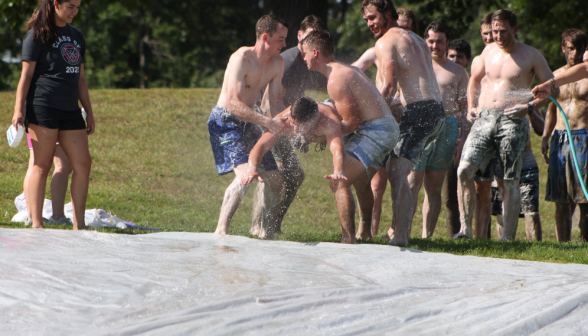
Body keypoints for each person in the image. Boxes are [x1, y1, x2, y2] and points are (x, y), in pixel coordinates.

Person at [456, 9, 554, 240]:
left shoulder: (531, 55)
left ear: (515, 30)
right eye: (494, 31)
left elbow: (553, 89)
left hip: (513, 119)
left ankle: (506, 238)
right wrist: (472, 105)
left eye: (503, 31)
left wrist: (529, 107)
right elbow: (474, 79)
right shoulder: (488, 51)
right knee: (463, 170)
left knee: (509, 181)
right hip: (485, 117)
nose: (498, 36)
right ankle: (465, 230)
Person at [299, 30, 399, 243]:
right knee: (361, 181)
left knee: (339, 181)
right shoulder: (343, 70)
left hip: (377, 131)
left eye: (305, 53)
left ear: (315, 53)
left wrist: (319, 136)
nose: (303, 57)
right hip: (385, 127)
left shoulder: (335, 78)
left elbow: (351, 123)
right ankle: (365, 233)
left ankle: (348, 238)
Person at [361, 0, 444, 246]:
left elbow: (388, 84)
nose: (370, 24)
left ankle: (401, 236)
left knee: (397, 171)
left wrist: (371, 117)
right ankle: (399, 232)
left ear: (388, 13)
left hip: (419, 111)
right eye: (366, 20)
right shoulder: (417, 39)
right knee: (400, 169)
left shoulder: (386, 41)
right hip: (435, 111)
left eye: (373, 17)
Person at [11, 0, 94, 230]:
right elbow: (25, 76)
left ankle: (80, 225)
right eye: (70, 6)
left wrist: (88, 109)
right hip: (43, 106)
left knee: (83, 163)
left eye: (77, 7)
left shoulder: (77, 36)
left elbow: (81, 78)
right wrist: (18, 110)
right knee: (42, 164)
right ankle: (37, 225)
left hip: (70, 109)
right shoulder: (37, 35)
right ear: (55, 3)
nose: (74, 12)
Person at [208, 14, 288, 238]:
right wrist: (267, 122)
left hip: (251, 121)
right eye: (281, 39)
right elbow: (233, 104)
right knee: (245, 175)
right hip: (224, 121)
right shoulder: (241, 58)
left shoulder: (277, 63)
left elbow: (276, 103)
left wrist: (291, 123)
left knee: (275, 180)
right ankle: (220, 231)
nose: (284, 44)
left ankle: (266, 232)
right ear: (265, 37)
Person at [252, 15, 328, 236]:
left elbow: (296, 97)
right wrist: (290, 134)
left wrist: (302, 131)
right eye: (309, 35)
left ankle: (272, 224)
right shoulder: (292, 59)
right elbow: (268, 103)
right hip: (267, 121)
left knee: (294, 175)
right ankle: (262, 226)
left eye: (317, 36)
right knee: (280, 173)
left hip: (281, 122)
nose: (312, 40)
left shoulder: (306, 61)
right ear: (299, 35)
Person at [352, 6, 417, 237]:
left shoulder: (410, 49)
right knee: (377, 183)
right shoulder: (378, 49)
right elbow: (353, 70)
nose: (402, 32)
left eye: (407, 28)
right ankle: (368, 231)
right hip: (382, 115)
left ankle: (397, 230)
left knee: (402, 178)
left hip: (404, 117)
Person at [409, 21, 468, 238]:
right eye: (431, 41)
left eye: (439, 42)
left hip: (448, 128)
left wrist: (462, 140)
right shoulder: (415, 65)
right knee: (411, 182)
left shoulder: (458, 71)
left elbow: (465, 109)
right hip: (420, 126)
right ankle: (402, 230)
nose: (435, 46)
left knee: (433, 188)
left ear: (447, 43)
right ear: (425, 41)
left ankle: (427, 236)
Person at [242, 98, 346, 197]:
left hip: (343, 116)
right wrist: (252, 168)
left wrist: (338, 171)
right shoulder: (284, 120)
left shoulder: (330, 121)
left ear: (314, 120)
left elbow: (337, 148)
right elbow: (261, 145)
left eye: (301, 125)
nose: (295, 129)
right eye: (293, 123)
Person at [540, 29, 588, 242]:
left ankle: (585, 241)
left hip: (583, 138)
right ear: (563, 48)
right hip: (560, 138)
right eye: (570, 48)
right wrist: (544, 137)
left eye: (578, 48)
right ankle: (563, 245)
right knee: (561, 198)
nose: (574, 53)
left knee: (584, 198)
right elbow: (552, 109)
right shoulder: (555, 77)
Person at [444, 38, 471, 237]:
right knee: (450, 195)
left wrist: (464, 137)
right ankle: (454, 236)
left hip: (471, 140)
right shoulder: (445, 77)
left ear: (467, 60)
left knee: (477, 192)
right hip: (449, 139)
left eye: (459, 57)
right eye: (451, 55)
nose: (454, 60)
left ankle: (479, 235)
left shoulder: (473, 79)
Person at [23, 134, 73, 226]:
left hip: (34, 123)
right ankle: (58, 217)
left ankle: (32, 216)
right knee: (62, 165)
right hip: (54, 123)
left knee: (34, 164)